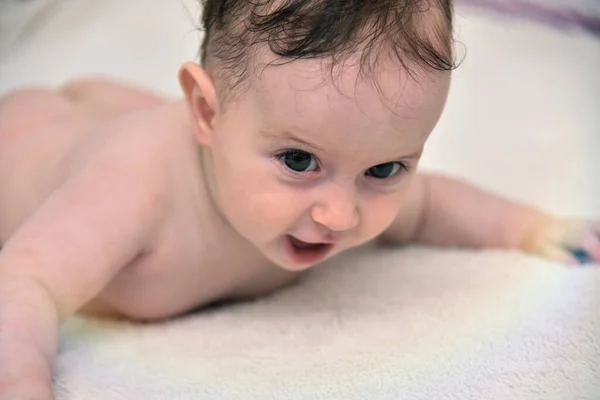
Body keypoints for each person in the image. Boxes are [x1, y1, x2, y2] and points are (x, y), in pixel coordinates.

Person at [0, 0, 597, 398]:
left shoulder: (338, 178)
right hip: (23, 142)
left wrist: (532, 228)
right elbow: (26, 280)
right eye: (297, 161)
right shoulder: (132, 191)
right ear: (205, 112)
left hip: (135, 117)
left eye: (384, 168)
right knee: (79, 131)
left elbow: (434, 206)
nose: (340, 215)